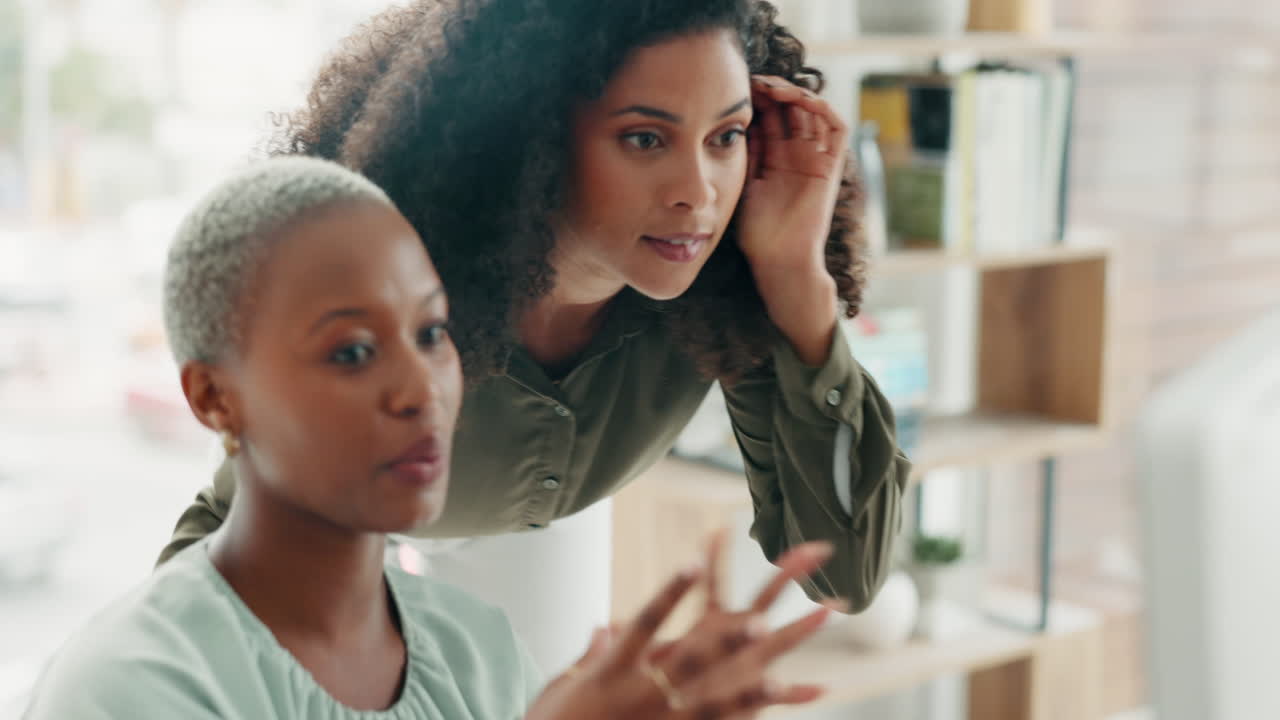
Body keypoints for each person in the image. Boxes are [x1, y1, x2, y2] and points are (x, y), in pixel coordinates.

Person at [161, 0, 912, 671]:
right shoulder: (394, 286)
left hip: (540, 544)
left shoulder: (726, 294)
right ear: (537, 140)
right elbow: (226, 544)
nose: (698, 193)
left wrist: (798, 285)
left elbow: (844, 575)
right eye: (646, 139)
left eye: (727, 136)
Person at [24, 157, 837, 719]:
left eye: (433, 333)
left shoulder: (476, 652)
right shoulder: (130, 687)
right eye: (351, 351)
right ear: (213, 398)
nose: (422, 389)